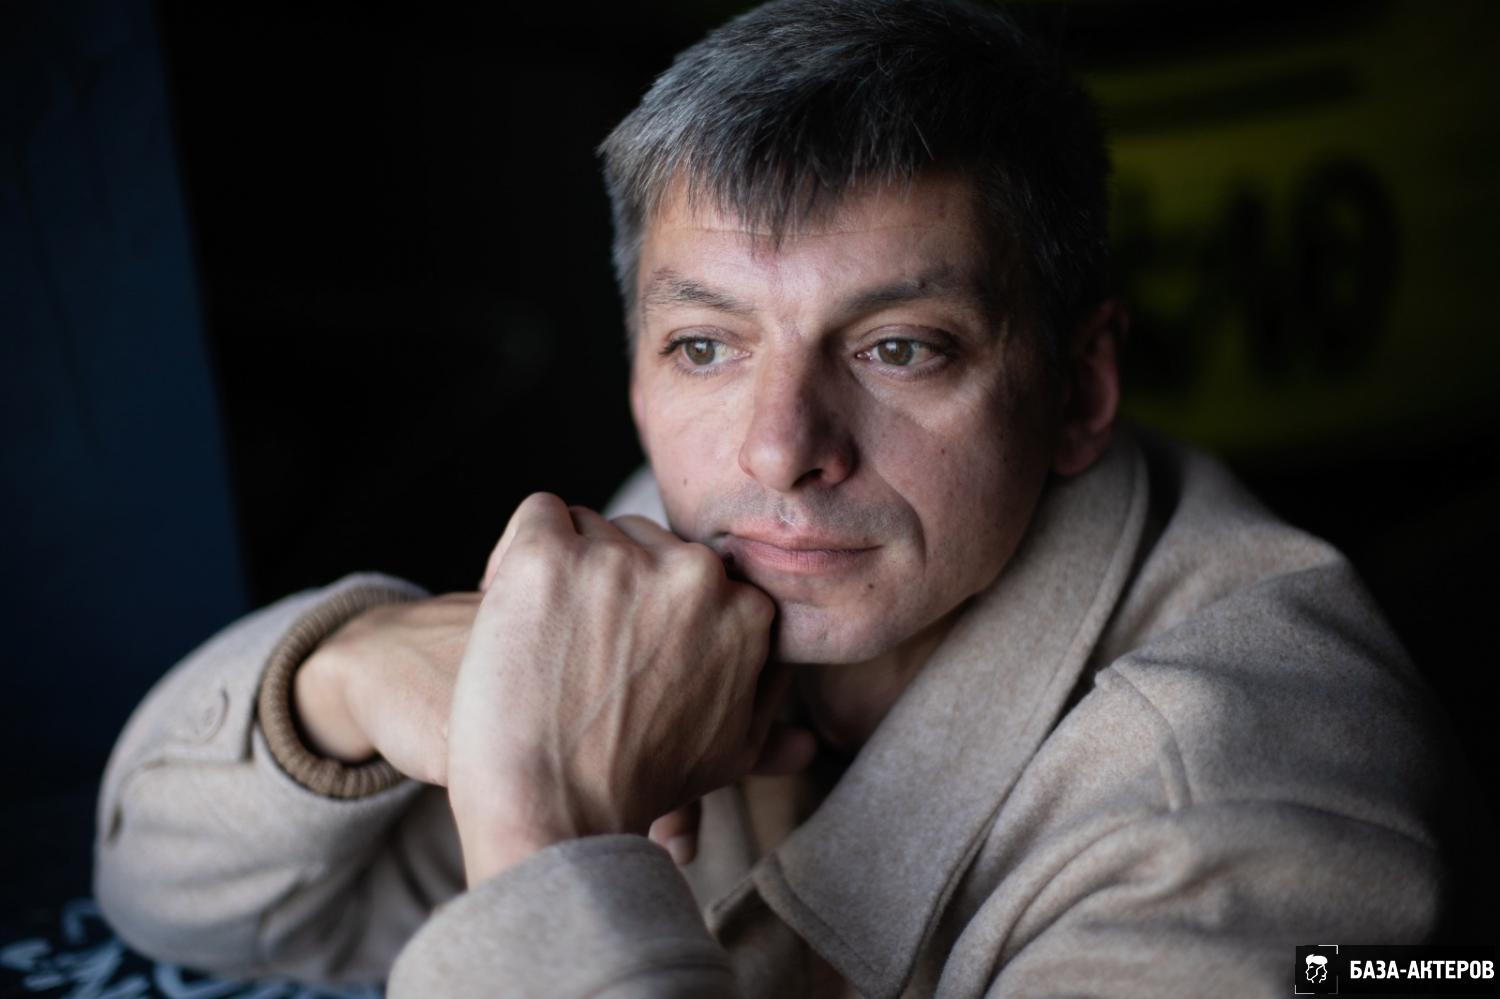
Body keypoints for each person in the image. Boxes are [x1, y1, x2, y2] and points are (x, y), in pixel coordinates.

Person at [94, 0, 1455, 995]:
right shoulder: (699, 553)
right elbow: (170, 890)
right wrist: (352, 676)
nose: (779, 449)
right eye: (706, 346)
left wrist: (542, 825)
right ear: (636, 366)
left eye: (899, 348)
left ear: (1079, 391)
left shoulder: (1229, 823)